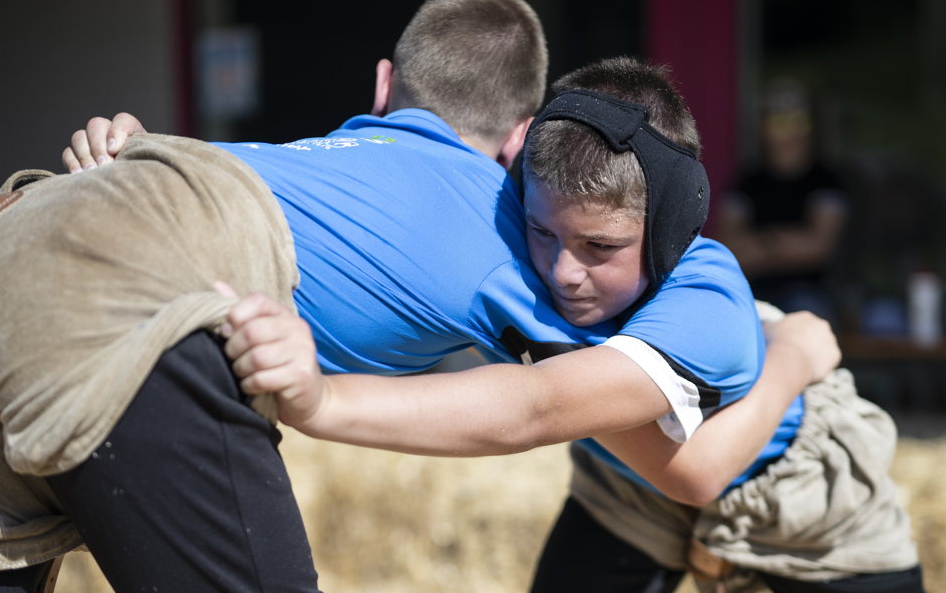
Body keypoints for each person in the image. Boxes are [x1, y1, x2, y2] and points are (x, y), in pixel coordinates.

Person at [220, 59, 923, 593]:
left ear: (668, 233)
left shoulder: (708, 300)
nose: (562, 272)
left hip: (794, 484)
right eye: (542, 233)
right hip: (628, 484)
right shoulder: (519, 225)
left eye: (601, 248)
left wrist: (326, 401)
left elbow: (675, 458)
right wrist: (147, 156)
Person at [717, 78, 848, 323]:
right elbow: (728, 249)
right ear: (763, 127)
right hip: (750, 292)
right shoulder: (747, 182)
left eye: (799, 121)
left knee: (805, 311)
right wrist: (783, 243)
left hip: (810, 296)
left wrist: (761, 244)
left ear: (813, 127)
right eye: (779, 122)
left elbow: (819, 247)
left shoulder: (827, 181)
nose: (790, 132)